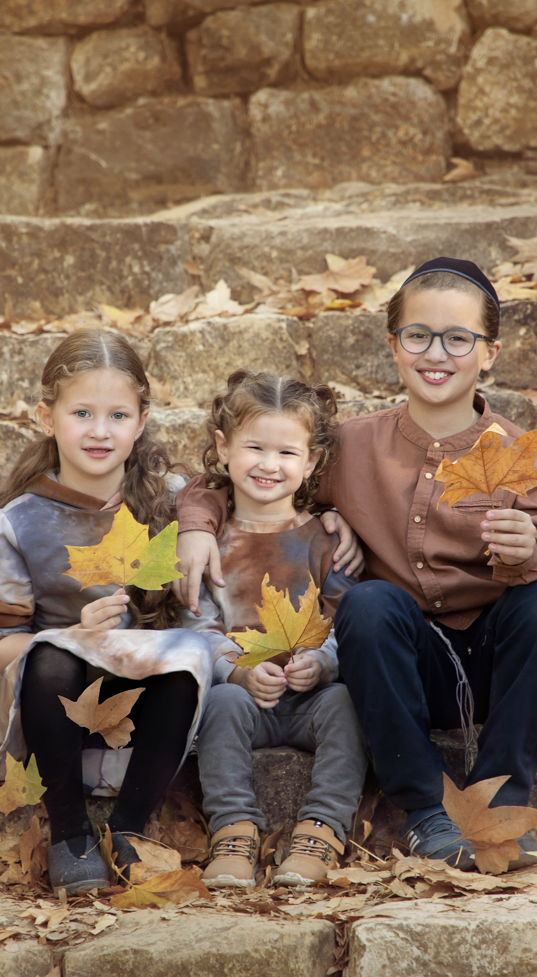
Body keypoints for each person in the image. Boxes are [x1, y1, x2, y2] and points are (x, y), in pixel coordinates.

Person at [174, 257, 537, 872]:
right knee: (367, 601)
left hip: (496, 661)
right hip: (397, 662)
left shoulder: (521, 454)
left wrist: (533, 549)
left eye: (458, 338)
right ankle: (425, 811)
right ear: (393, 346)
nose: (435, 353)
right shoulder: (352, 445)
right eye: (418, 336)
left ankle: (499, 807)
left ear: (489, 352)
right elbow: (239, 478)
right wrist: (196, 526)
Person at [0, 328, 216, 896]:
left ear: (141, 422)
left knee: (186, 656)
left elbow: (257, 492)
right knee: (53, 657)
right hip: (53, 704)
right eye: (82, 413)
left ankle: (129, 829)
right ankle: (70, 834)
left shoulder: (176, 501)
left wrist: (201, 526)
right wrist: (72, 635)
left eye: (118, 415)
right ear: (46, 418)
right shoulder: (17, 522)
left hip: (150, 700)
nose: (100, 431)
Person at [180, 371, 367, 888]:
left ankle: (322, 829)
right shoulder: (206, 540)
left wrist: (323, 663)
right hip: (242, 695)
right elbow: (196, 623)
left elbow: (346, 619)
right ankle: (233, 829)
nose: (268, 464)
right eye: (254, 448)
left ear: (311, 461)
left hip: (313, 696)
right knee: (221, 704)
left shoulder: (327, 540)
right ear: (223, 448)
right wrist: (237, 672)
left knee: (347, 705)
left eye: (287, 453)